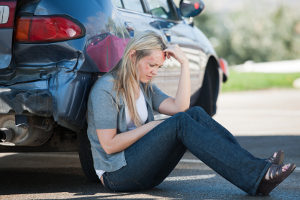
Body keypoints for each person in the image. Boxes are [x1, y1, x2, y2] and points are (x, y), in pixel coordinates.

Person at [87, 30, 296, 196]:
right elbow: (109, 145)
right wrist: (151, 126)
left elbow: (180, 107)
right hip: (117, 174)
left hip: (142, 170)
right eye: (151, 65)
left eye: (159, 67)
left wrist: (185, 63)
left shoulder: (144, 86)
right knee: (180, 123)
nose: (154, 72)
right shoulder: (106, 89)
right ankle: (258, 175)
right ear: (132, 56)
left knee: (194, 113)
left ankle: (257, 171)